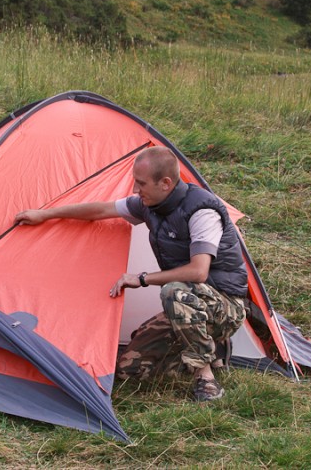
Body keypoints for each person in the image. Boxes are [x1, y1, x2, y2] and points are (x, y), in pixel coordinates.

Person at [14, 147, 248, 401]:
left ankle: (206, 379)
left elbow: (198, 271)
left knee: (174, 291)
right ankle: (214, 348)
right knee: (130, 367)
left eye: (141, 183)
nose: (136, 190)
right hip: (190, 305)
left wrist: (142, 278)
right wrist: (46, 215)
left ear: (165, 183)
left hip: (225, 305)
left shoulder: (201, 211)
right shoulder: (151, 205)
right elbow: (100, 210)